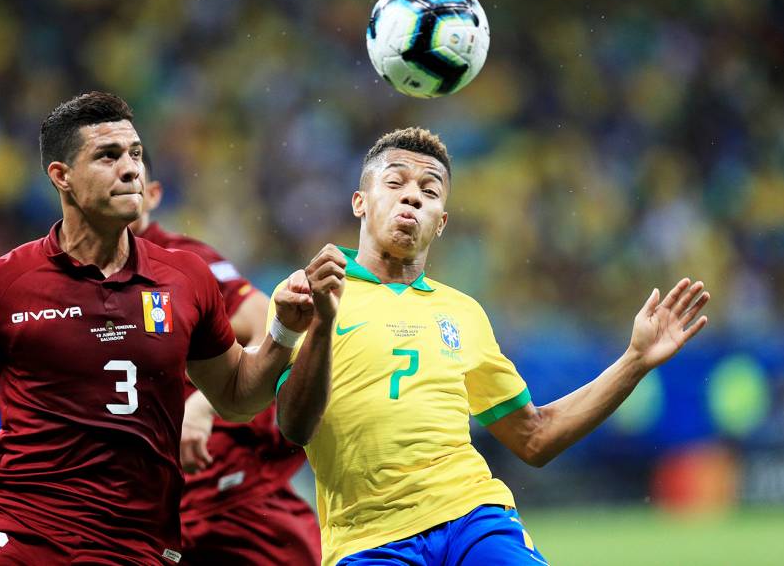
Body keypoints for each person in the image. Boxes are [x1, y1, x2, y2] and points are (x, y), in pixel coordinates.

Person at [0, 91, 331, 565]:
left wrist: (283, 329)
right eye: (108, 155)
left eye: (135, 154)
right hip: (18, 520)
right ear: (62, 177)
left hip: (131, 541)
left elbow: (239, 398)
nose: (130, 169)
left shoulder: (187, 278)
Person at [273, 127, 711, 566]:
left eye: (429, 190)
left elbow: (534, 437)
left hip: (472, 518)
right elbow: (294, 426)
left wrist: (635, 359)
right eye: (395, 182)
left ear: (440, 222)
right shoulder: (312, 290)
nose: (413, 197)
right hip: (368, 540)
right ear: (360, 202)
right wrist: (324, 324)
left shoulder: (463, 313)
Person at [131, 155, 321, 565]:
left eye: (132, 178)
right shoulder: (71, 281)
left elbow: (269, 329)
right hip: (146, 506)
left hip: (231, 492)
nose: (120, 186)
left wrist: (203, 405)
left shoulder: (181, 261)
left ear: (154, 195)